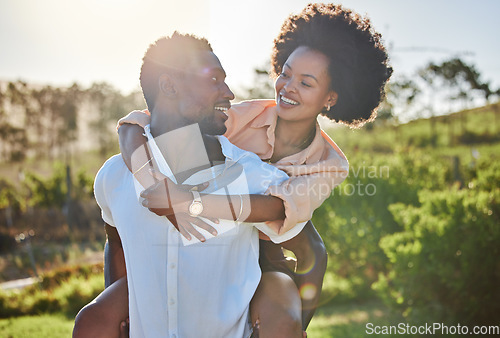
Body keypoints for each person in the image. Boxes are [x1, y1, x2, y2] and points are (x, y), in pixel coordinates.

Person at [117, 3, 391, 336]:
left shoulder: (330, 165)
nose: (288, 87)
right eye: (286, 73)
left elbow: (278, 208)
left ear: (330, 97)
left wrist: (188, 202)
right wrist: (146, 168)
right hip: (214, 246)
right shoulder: (237, 115)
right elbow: (152, 120)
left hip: (270, 252)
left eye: (306, 83)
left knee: (306, 269)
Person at [73, 32, 311, 338]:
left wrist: (292, 324)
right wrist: (121, 306)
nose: (229, 92)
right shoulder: (114, 176)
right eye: (214, 80)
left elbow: (308, 251)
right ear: (169, 86)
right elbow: (116, 241)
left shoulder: (255, 176)